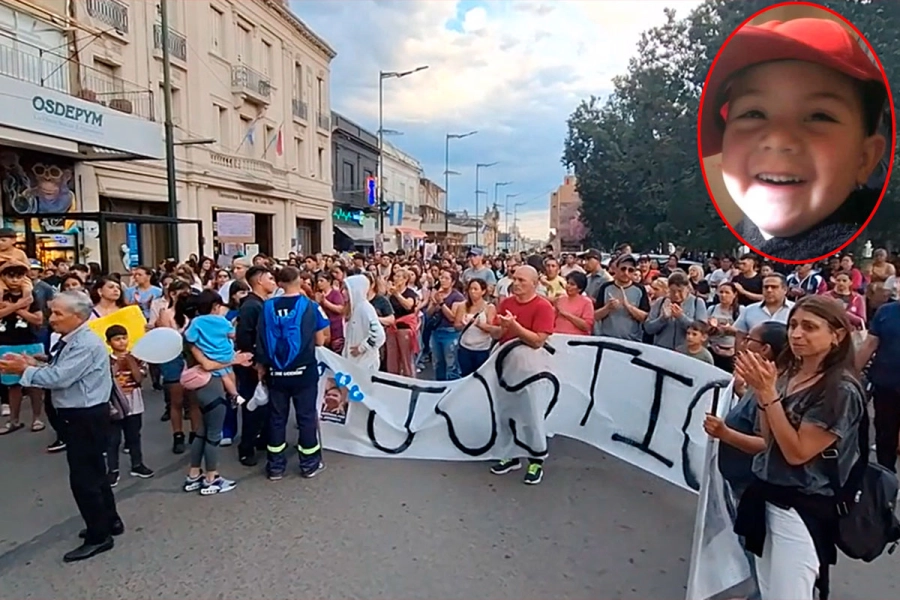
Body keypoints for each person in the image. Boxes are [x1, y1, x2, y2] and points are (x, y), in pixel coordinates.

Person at [700, 18, 888, 261]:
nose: (778, 139)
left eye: (818, 116)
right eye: (753, 113)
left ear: (865, 159)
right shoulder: (749, 237)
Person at [732, 295, 864, 600]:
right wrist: (766, 392)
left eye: (809, 327)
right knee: (768, 589)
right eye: (793, 325)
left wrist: (767, 393)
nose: (796, 334)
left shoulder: (840, 390)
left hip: (802, 506)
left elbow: (797, 453)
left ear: (837, 335)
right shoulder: (790, 374)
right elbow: (769, 439)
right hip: (767, 494)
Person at [0, 291, 121, 562]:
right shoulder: (72, 339)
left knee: (84, 479)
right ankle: (109, 521)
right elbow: (60, 366)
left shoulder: (85, 343)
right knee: (95, 472)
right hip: (83, 414)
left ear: (78, 317)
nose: (51, 318)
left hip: (85, 415)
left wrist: (23, 371)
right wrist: (34, 362)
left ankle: (98, 536)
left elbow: (59, 377)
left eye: (57, 314)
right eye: (52, 312)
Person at [254, 266, 329, 481]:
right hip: (304, 371)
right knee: (306, 417)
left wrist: (262, 366)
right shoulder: (311, 306)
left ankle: (275, 466)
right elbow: (320, 340)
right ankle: (309, 464)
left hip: (276, 372)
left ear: (278, 283)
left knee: (277, 418)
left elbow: (260, 339)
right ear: (299, 280)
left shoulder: (266, 307)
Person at [485, 265, 556, 485]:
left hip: (531, 372)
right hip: (505, 367)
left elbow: (537, 341)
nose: (516, 283)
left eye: (522, 280)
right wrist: (488, 328)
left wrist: (514, 327)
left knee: (531, 414)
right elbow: (500, 333)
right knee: (505, 411)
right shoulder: (506, 303)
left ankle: (536, 460)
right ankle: (510, 455)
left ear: (534, 284)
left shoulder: (543, 307)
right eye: (514, 279)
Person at [181, 292, 254, 496]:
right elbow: (211, 363)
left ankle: (193, 474)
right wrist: (235, 359)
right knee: (213, 434)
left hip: (201, 386)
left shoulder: (193, 329)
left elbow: (192, 342)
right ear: (214, 306)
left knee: (202, 432)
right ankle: (211, 477)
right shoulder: (221, 323)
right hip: (212, 385)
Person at [234, 266, 277, 467]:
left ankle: (262, 439)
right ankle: (246, 448)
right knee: (253, 405)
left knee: (265, 404)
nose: (273, 281)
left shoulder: (262, 304)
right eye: (270, 278)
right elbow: (244, 338)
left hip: (262, 362)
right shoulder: (252, 306)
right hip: (251, 365)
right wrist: (255, 363)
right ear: (259, 281)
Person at [104, 325, 153, 485]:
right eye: (117, 339)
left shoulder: (137, 358)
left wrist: (131, 362)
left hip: (134, 400)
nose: (121, 342)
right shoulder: (106, 360)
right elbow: (104, 379)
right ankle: (113, 470)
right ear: (109, 342)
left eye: (124, 338)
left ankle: (137, 464)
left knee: (134, 435)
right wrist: (116, 366)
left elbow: (139, 378)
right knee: (113, 439)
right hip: (115, 401)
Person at [0, 260, 45, 434]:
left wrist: (15, 308)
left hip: (30, 342)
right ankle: (14, 420)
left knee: (34, 384)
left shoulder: (31, 295)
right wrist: (17, 306)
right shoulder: (1, 294)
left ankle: (37, 418)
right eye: (10, 276)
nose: (14, 280)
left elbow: (38, 320)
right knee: (12, 386)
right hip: (6, 343)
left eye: (19, 275)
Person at [183, 292, 245, 406]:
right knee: (230, 373)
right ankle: (235, 394)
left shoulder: (197, 322)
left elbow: (189, 337)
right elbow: (232, 335)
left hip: (210, 355)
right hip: (227, 353)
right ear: (216, 306)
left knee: (223, 376)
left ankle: (234, 395)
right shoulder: (222, 321)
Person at [644, 271, 708, 351]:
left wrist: (681, 317)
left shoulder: (697, 302)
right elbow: (648, 329)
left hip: (686, 352)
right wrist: (663, 319)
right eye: (673, 291)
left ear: (688, 289)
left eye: (680, 291)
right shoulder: (660, 302)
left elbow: (701, 331)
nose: (676, 295)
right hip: (661, 350)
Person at [343, 273, 386, 372]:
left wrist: (362, 348)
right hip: (354, 363)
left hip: (365, 363)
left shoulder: (365, 309)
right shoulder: (354, 308)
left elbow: (379, 335)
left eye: (346, 289)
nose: (343, 292)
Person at [427, 269, 464, 381]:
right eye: (442, 277)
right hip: (436, 331)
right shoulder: (437, 293)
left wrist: (442, 303)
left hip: (450, 333)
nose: (443, 280)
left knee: (451, 364)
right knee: (438, 363)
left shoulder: (457, 297)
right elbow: (428, 313)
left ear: (453, 282)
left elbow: (452, 317)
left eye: (446, 278)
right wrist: (434, 303)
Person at [454, 278, 496, 377]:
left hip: (482, 349)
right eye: (470, 289)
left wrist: (480, 325)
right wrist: (463, 324)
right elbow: (456, 326)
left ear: (483, 291)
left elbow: (492, 329)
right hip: (465, 348)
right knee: (465, 375)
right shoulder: (462, 306)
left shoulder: (489, 307)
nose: (472, 292)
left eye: (475, 289)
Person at [553, 271, 594, 335]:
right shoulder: (560, 299)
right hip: (557, 336)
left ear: (580, 288)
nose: (568, 286)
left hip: (575, 339)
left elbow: (586, 326)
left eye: (572, 284)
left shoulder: (587, 302)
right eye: (568, 283)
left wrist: (566, 314)